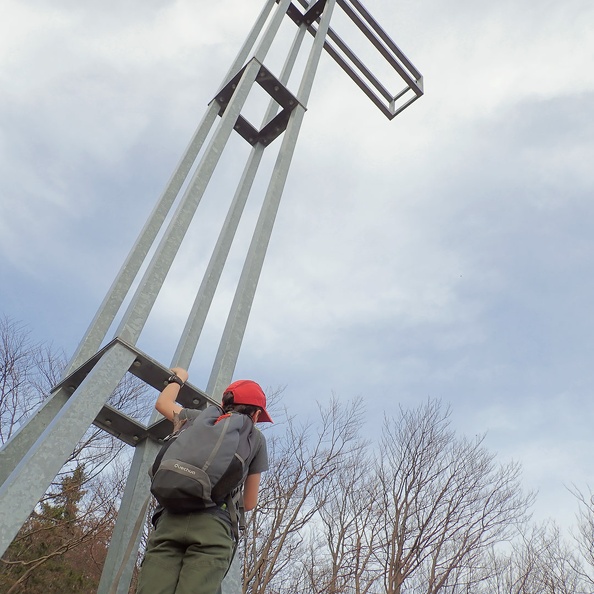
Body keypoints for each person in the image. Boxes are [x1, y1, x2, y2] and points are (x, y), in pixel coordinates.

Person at [137, 367, 271, 594]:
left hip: (170, 519)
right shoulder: (255, 438)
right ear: (256, 414)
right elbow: (248, 502)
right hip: (213, 527)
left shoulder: (194, 419)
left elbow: (162, 403)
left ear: (224, 402)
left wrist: (179, 377)